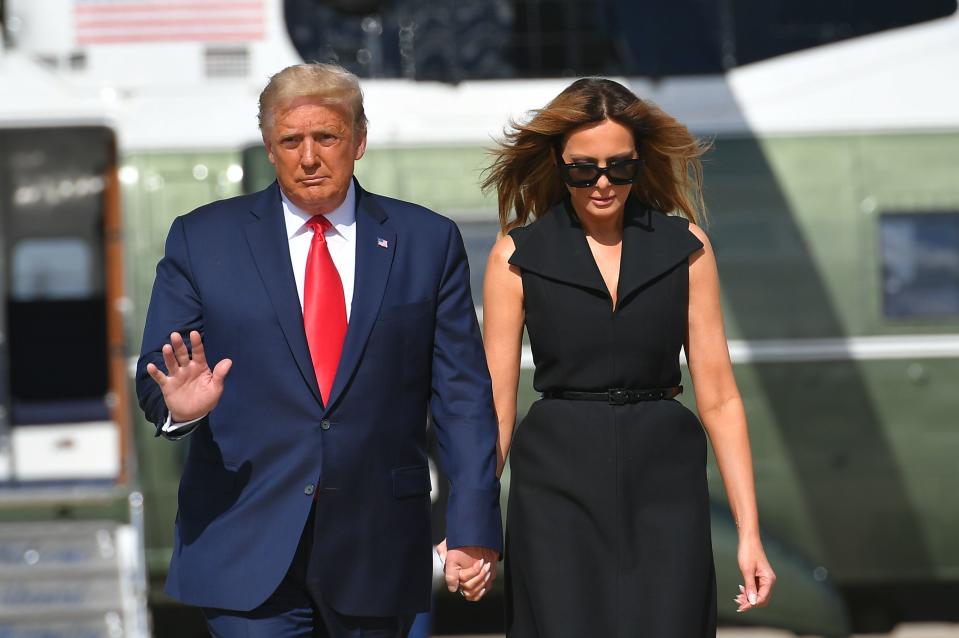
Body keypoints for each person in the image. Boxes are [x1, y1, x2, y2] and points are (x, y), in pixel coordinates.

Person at [136, 63, 501, 637]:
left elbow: (463, 396)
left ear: (358, 141)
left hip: (378, 546)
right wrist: (181, 410)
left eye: (325, 138)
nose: (309, 157)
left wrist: (474, 522)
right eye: (291, 141)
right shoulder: (202, 239)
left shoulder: (425, 241)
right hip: (244, 537)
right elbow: (156, 377)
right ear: (269, 146)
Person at [481, 77, 776, 636]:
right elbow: (496, 406)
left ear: (640, 164)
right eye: (582, 167)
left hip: (665, 480)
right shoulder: (516, 257)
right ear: (557, 162)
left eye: (620, 166)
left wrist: (749, 534)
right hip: (555, 487)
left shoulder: (686, 247)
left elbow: (718, 399)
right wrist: (471, 523)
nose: (601, 182)